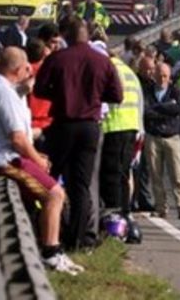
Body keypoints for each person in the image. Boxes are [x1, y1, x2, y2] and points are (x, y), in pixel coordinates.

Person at [0, 48, 83, 275]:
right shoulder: (4, 94)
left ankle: (45, 247)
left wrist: (34, 156)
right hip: (4, 161)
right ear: (18, 69)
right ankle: (51, 252)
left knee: (45, 196)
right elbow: (18, 139)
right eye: (27, 68)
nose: (29, 71)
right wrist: (37, 160)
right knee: (55, 194)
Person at [34, 17, 123, 250]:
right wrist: (92, 96)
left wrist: (62, 94)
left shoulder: (57, 59)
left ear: (66, 35)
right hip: (90, 126)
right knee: (81, 185)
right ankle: (77, 239)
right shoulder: (102, 61)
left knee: (51, 179)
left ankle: (48, 232)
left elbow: (40, 89)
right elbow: (117, 95)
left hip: (62, 125)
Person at [142, 61, 180, 219]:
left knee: (177, 174)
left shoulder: (175, 90)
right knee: (156, 174)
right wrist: (165, 108)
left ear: (169, 77)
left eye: (165, 76)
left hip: (172, 137)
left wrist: (157, 109)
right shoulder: (147, 90)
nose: (162, 79)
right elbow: (145, 111)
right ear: (154, 75)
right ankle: (160, 206)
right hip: (153, 136)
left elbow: (177, 110)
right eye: (159, 75)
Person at [100, 56, 144, 216]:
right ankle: (125, 213)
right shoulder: (129, 72)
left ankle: (114, 216)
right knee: (124, 175)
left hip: (114, 127)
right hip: (131, 127)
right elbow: (140, 101)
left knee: (111, 176)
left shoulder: (108, 69)